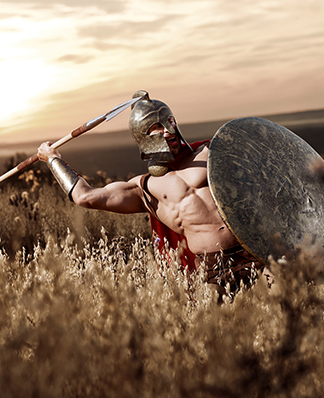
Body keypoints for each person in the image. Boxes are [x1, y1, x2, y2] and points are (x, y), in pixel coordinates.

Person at [37, 90, 266, 298]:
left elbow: (266, 172)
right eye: (157, 127)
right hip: (214, 267)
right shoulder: (143, 189)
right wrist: (53, 159)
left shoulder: (211, 152)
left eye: (170, 121)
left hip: (257, 250)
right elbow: (85, 197)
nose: (168, 129)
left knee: (289, 310)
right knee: (209, 331)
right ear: (143, 136)